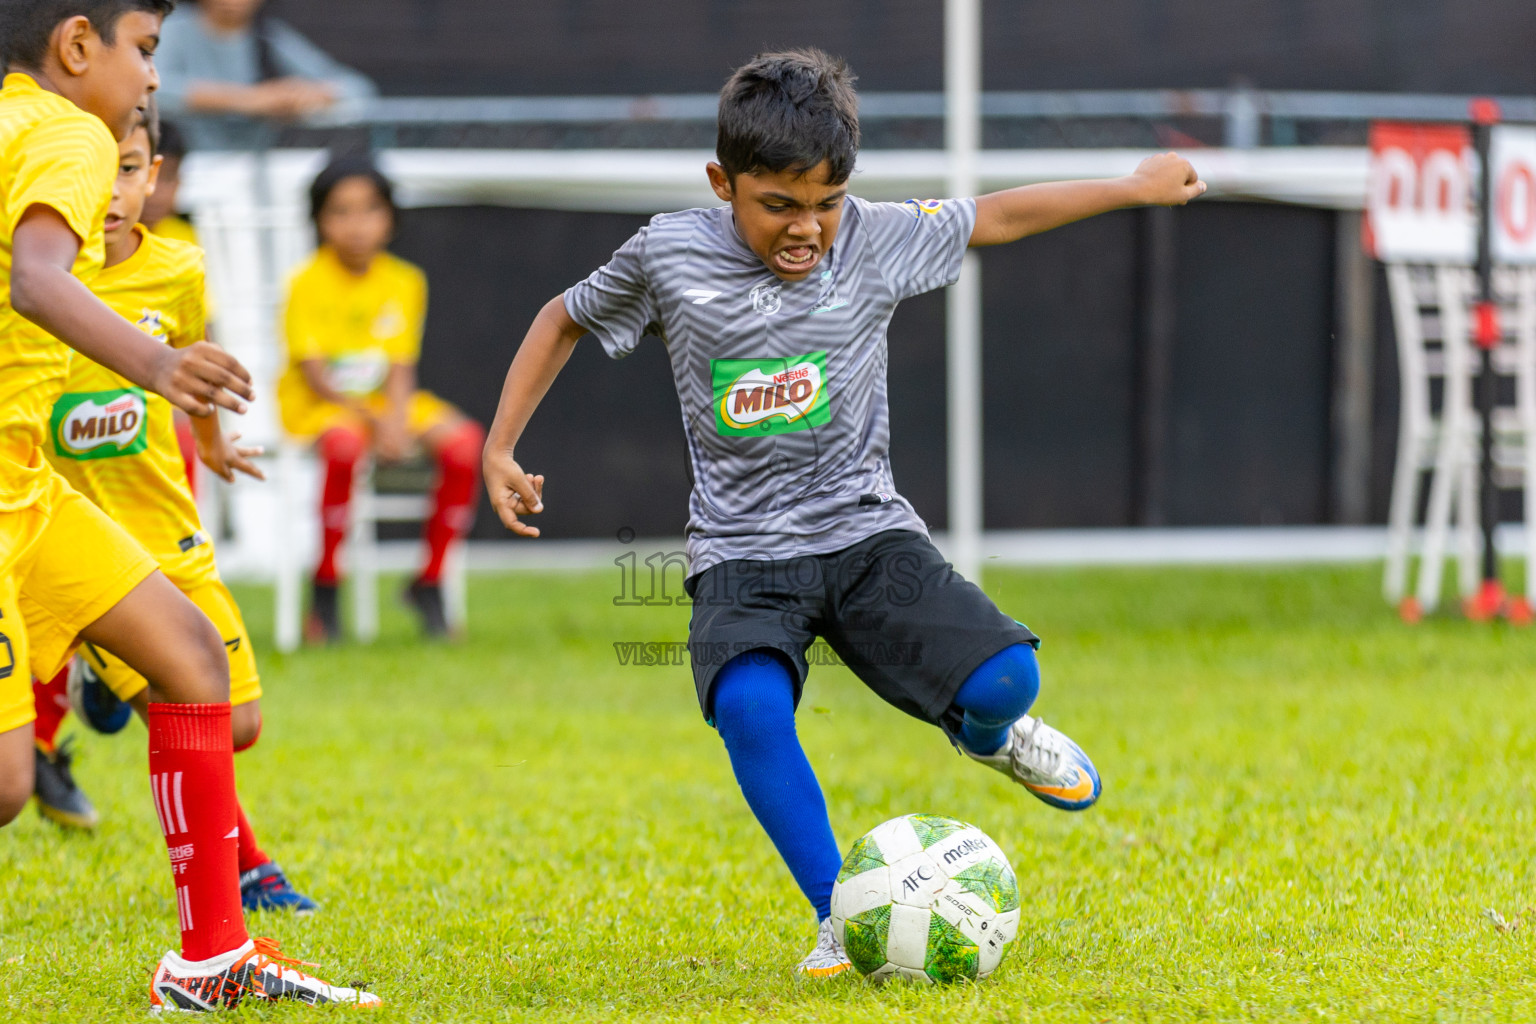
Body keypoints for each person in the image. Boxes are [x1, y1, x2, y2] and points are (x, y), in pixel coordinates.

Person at [482, 49, 1205, 977]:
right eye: (778, 204)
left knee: (1006, 684)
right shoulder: (666, 252)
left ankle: (989, 738)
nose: (806, 228)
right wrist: (501, 446)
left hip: (866, 535)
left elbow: (1000, 214)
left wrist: (1134, 185)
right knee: (749, 707)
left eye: (824, 202)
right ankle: (842, 914)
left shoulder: (873, 236)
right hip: (741, 555)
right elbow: (562, 317)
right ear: (722, 184)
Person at [0, 1, 376, 1009]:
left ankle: (213, 954)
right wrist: (159, 362)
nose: (154, 81)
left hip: (26, 485)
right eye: (148, 52)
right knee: (2, 785)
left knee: (188, 654)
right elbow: (39, 282)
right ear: (79, 47)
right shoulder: (70, 130)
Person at [27, 106, 320, 916]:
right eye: (99, 170)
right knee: (178, 706)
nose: (112, 191)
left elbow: (191, 358)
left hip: (169, 524)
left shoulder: (179, 268)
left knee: (239, 722)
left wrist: (214, 441)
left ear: (155, 176)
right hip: (85, 541)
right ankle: (248, 872)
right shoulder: (42, 281)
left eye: (129, 169)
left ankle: (99, 680)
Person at [278, 157, 485, 641]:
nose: (356, 225)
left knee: (465, 444)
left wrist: (393, 419)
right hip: (322, 407)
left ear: (390, 218)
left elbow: (399, 366)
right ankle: (326, 584)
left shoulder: (405, 280)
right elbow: (316, 376)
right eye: (340, 212)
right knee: (345, 447)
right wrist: (377, 422)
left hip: (383, 403)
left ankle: (429, 579)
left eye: (370, 210)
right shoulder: (304, 282)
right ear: (319, 220)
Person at [154, 0, 375, 151]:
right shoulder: (170, 29)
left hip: (253, 169)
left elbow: (358, 88)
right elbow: (152, 89)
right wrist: (248, 99)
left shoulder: (269, 37)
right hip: (181, 168)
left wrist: (308, 94)